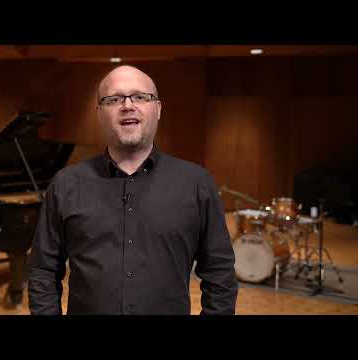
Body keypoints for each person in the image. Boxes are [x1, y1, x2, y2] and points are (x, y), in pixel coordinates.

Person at [28, 65, 238, 315]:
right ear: (99, 112)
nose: (127, 105)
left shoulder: (197, 183)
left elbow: (220, 273)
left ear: (158, 109)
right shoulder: (66, 184)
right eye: (114, 99)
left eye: (140, 97)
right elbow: (43, 270)